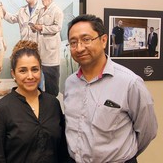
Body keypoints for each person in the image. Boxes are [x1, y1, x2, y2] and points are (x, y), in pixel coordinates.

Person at [64, 14, 158, 163]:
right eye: (73, 42)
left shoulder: (130, 83)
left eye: (86, 39)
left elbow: (148, 131)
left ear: (103, 40)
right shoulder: (70, 83)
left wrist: (125, 155)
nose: (79, 48)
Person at [0, 40, 69, 163]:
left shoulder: (53, 104)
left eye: (35, 69)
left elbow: (62, 151)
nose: (30, 76)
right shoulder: (1, 109)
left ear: (41, 71)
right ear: (13, 73)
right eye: (23, 70)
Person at [32, 0, 63, 96]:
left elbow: (57, 27)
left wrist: (42, 28)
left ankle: (53, 104)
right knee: (40, 79)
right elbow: (38, 24)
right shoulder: (41, 10)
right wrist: (34, 27)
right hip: (42, 49)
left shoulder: (57, 11)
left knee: (52, 84)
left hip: (51, 52)